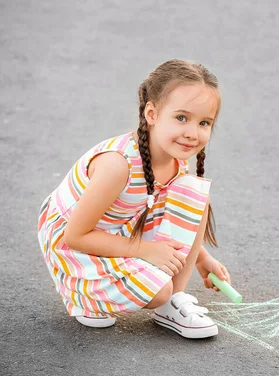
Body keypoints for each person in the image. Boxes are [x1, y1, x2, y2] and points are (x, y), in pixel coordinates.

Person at [37, 59, 230, 339]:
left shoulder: (175, 160)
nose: (192, 132)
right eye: (181, 118)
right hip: (74, 244)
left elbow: (168, 212)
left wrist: (200, 258)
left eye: (204, 123)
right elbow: (74, 236)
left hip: (117, 228)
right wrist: (145, 250)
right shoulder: (118, 165)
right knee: (156, 291)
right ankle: (81, 295)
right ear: (151, 114)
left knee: (192, 193)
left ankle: (172, 301)